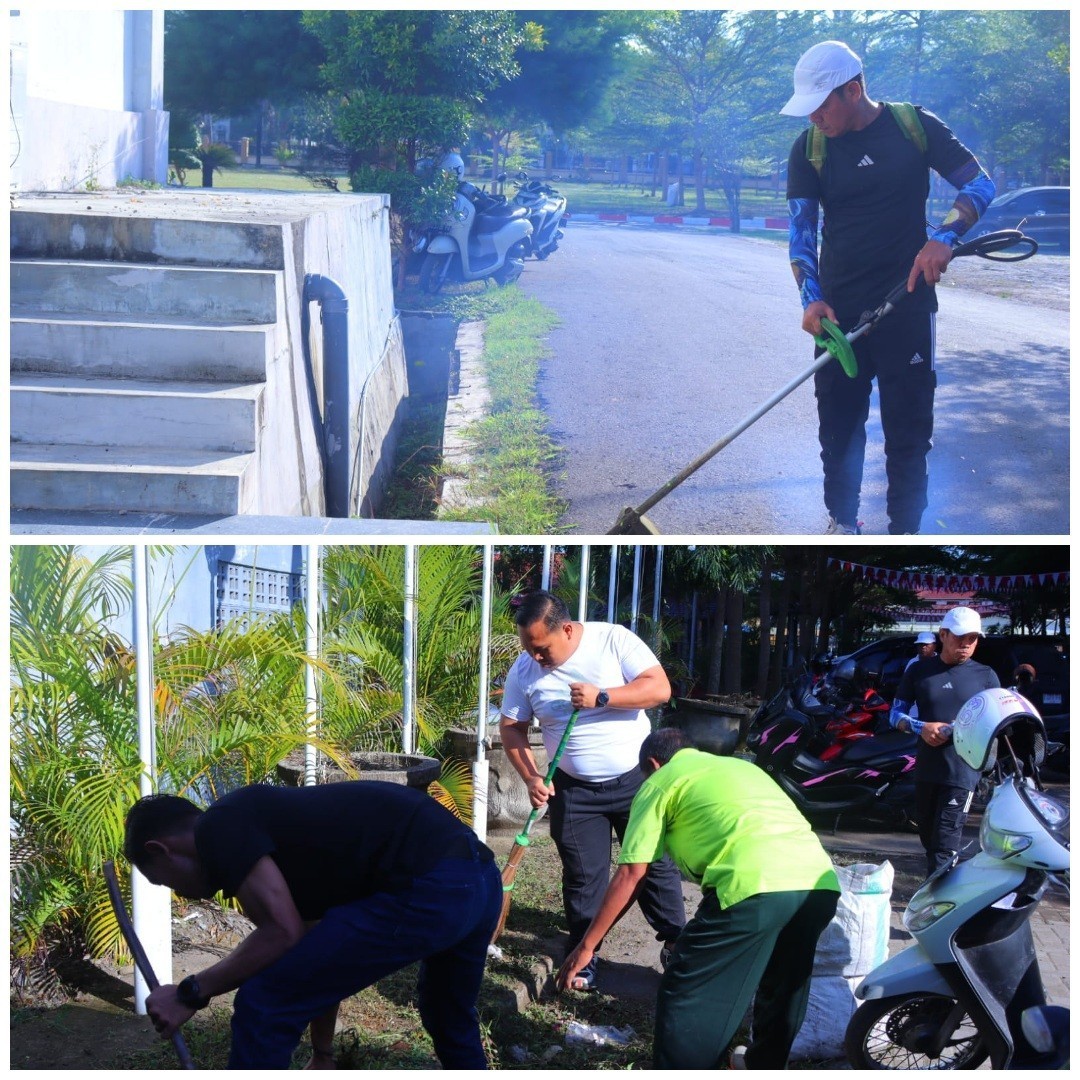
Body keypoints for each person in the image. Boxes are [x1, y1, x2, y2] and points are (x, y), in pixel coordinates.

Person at [124, 782, 501, 1070]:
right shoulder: (272, 839)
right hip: (479, 879)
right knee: (447, 1015)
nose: (181, 894)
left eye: (165, 881)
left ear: (162, 849)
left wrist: (189, 993)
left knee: (264, 1004)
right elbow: (313, 952)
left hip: (433, 884)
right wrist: (322, 1054)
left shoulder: (216, 827)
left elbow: (282, 933)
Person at [782, 41, 996, 535]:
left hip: (908, 304)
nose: (814, 117)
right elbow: (800, 234)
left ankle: (904, 533)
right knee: (837, 433)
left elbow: (981, 183)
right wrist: (809, 297)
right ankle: (841, 522)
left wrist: (943, 237)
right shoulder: (810, 149)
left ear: (853, 91)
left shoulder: (913, 126)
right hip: (837, 315)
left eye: (821, 105)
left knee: (908, 433)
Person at [557, 728, 840, 1069]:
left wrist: (587, 946)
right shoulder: (743, 768)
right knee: (782, 987)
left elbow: (632, 873)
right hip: (819, 885)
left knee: (686, 988)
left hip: (751, 887)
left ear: (652, 763)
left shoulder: (660, 782)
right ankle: (764, 1066)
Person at [499, 590, 686, 991]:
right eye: (529, 649)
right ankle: (586, 952)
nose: (536, 658)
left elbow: (659, 688)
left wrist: (604, 696)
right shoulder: (524, 670)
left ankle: (676, 943)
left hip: (638, 781)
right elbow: (512, 728)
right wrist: (532, 776)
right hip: (574, 790)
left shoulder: (612, 640)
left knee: (654, 865)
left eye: (542, 648)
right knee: (584, 876)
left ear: (566, 629)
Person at [889, 606, 1000, 876]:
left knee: (945, 842)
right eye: (960, 636)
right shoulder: (919, 672)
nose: (966, 644)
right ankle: (939, 894)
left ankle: (939, 908)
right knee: (928, 837)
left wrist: (954, 730)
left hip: (963, 771)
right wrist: (921, 727)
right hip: (927, 768)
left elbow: (996, 722)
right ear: (943, 634)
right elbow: (894, 715)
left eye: (972, 638)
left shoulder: (986, 675)